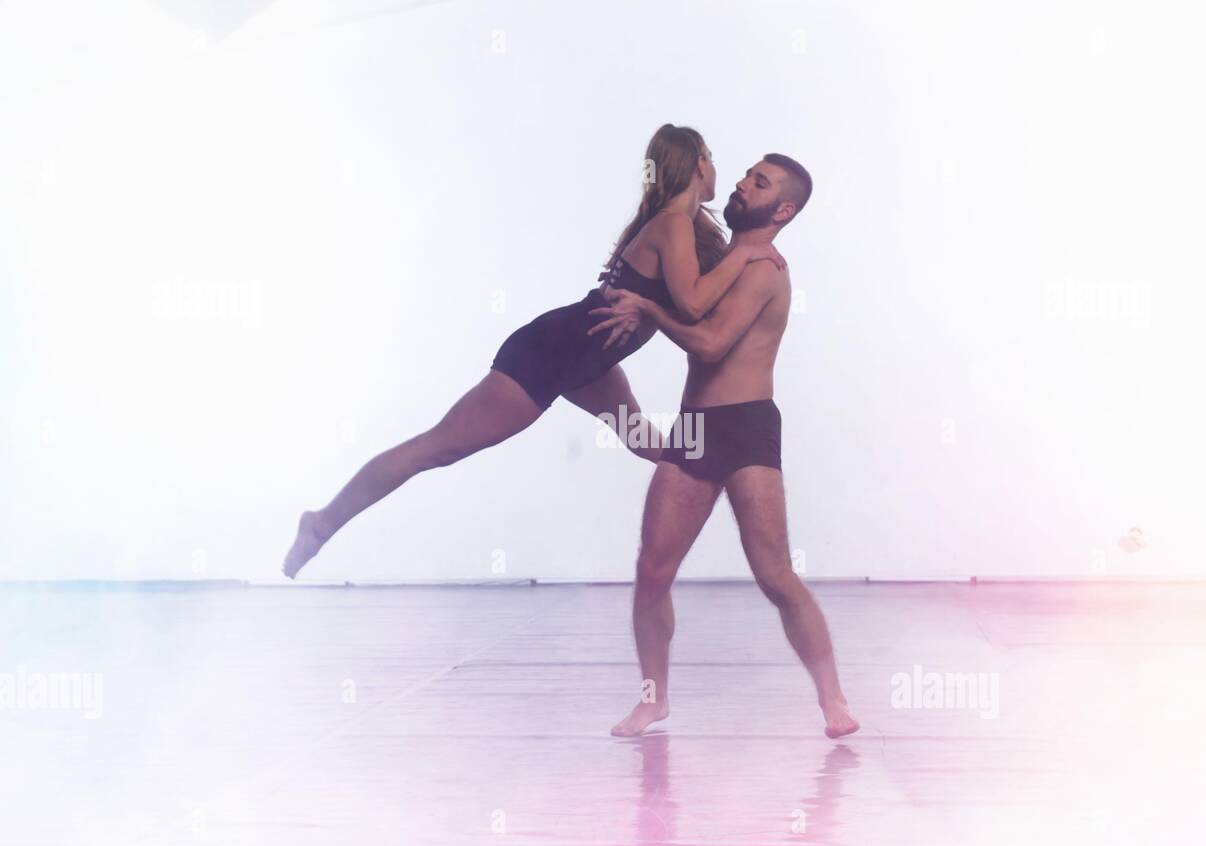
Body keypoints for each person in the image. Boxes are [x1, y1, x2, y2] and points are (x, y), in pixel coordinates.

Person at [282, 125, 784, 578]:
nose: (719, 169)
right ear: (698, 162)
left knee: (650, 443)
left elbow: (704, 300)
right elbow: (695, 305)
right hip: (550, 354)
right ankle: (322, 522)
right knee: (438, 448)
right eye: (712, 157)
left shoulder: (684, 227)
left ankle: (719, 481)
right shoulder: (673, 223)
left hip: (590, 359)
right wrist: (742, 253)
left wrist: (747, 258)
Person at [590, 154, 860, 739]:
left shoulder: (765, 270)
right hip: (693, 427)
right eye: (744, 175)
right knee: (653, 570)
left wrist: (650, 309)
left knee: (775, 577)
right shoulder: (720, 257)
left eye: (757, 183)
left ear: (782, 210)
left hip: (745, 426)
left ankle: (833, 699)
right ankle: (652, 699)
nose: (740, 183)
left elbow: (710, 344)